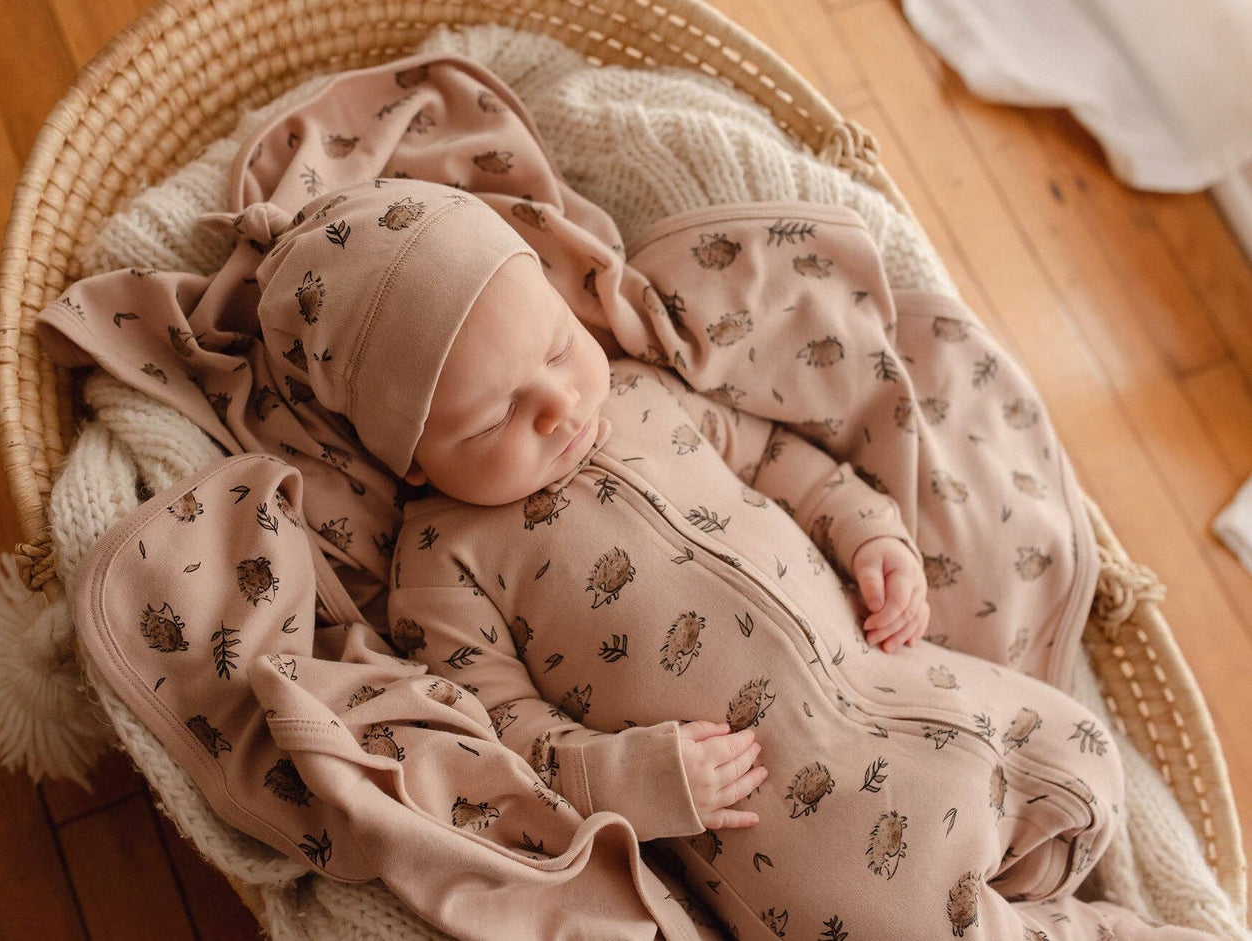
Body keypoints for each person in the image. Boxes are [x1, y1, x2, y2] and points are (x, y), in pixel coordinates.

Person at [255, 176, 1210, 939]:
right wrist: (633, 778)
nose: (557, 405)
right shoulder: (439, 562)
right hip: (802, 841)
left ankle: (1034, 886)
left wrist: (867, 530)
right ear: (407, 454)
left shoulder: (636, 391)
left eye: (554, 346)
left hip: (917, 690)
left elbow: (775, 458)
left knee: (1085, 760)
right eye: (496, 415)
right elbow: (498, 730)